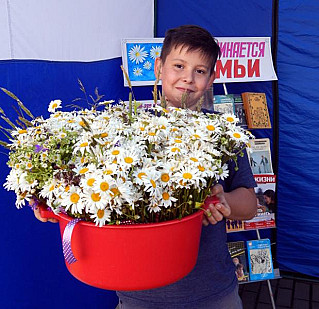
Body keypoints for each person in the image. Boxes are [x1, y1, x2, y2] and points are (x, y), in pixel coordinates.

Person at [33, 25, 257, 308]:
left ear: (212, 78)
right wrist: (51, 199)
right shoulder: (124, 129)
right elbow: (85, 187)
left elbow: (249, 205)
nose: (187, 78)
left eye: (200, 71)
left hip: (213, 291)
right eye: (178, 66)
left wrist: (223, 200)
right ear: (159, 67)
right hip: (140, 293)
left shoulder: (224, 134)